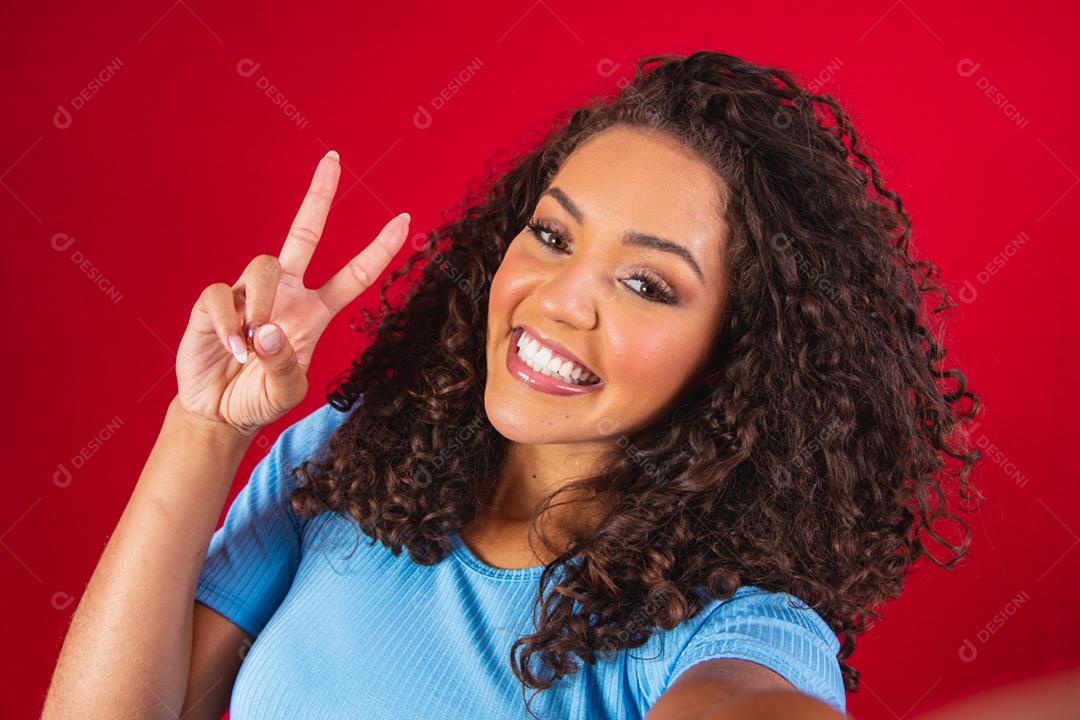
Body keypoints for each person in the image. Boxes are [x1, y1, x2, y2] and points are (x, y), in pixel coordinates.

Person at [42, 50, 981, 720]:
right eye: (554, 236)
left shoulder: (734, 632)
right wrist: (202, 428)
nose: (561, 299)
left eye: (646, 284)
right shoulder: (348, 459)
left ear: (739, 355)